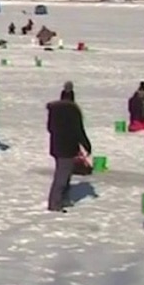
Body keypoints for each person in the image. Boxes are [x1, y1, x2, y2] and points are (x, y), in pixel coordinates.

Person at [46, 82, 92, 212]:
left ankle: (62, 199)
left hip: (56, 146)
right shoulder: (73, 111)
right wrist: (86, 145)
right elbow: (79, 130)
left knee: (64, 174)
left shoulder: (54, 111)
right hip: (68, 147)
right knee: (62, 176)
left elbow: (50, 128)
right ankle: (54, 203)